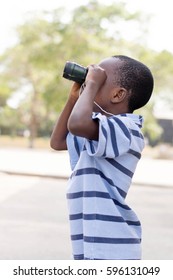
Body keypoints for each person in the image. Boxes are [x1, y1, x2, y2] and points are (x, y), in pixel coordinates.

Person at [50, 55, 154, 260]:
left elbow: (77, 124)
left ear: (117, 95)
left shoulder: (127, 129)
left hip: (112, 245)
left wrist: (90, 87)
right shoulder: (98, 134)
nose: (91, 81)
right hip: (91, 241)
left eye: (100, 79)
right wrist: (74, 98)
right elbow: (58, 141)